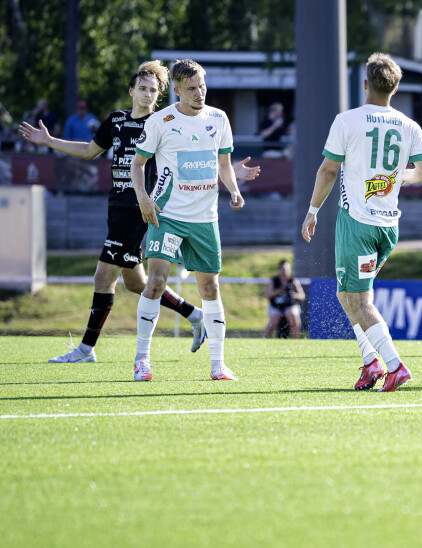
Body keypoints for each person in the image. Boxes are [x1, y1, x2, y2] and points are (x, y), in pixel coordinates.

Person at [17, 60, 260, 364]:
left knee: (102, 277)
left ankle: (85, 349)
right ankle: (194, 315)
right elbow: (90, 151)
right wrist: (50, 141)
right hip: (117, 206)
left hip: (141, 209)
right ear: (131, 90)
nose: (146, 95)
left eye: (152, 90)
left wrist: (233, 174)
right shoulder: (117, 121)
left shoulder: (163, 121)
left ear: (160, 95)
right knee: (137, 283)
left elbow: (192, 162)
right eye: (141, 89)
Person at [301, 52, 422, 392]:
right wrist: (397, 178)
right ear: (396, 87)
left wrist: (313, 211)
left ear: (364, 85)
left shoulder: (347, 120)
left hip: (357, 223)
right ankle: (371, 362)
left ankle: (394, 365)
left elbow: (329, 170)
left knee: (360, 301)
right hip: (389, 226)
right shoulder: (409, 126)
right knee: (346, 293)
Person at [131, 58, 247, 382]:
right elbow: (138, 165)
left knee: (210, 287)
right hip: (167, 215)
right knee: (155, 282)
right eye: (192, 88)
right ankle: (142, 360)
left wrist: (234, 191)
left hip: (205, 218)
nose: (200, 93)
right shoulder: (161, 121)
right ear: (178, 91)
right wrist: (143, 198)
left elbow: (224, 164)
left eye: (203, 86)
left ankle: (218, 365)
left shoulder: (219, 118)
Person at [264, 259, 305, 338]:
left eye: (286, 269)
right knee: (274, 318)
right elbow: (268, 295)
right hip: (276, 307)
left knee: (293, 316)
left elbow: (302, 296)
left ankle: (295, 341)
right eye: (282, 269)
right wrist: (279, 291)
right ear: (279, 270)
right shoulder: (274, 281)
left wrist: (292, 295)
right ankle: (266, 339)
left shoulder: (293, 281)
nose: (284, 272)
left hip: (290, 306)